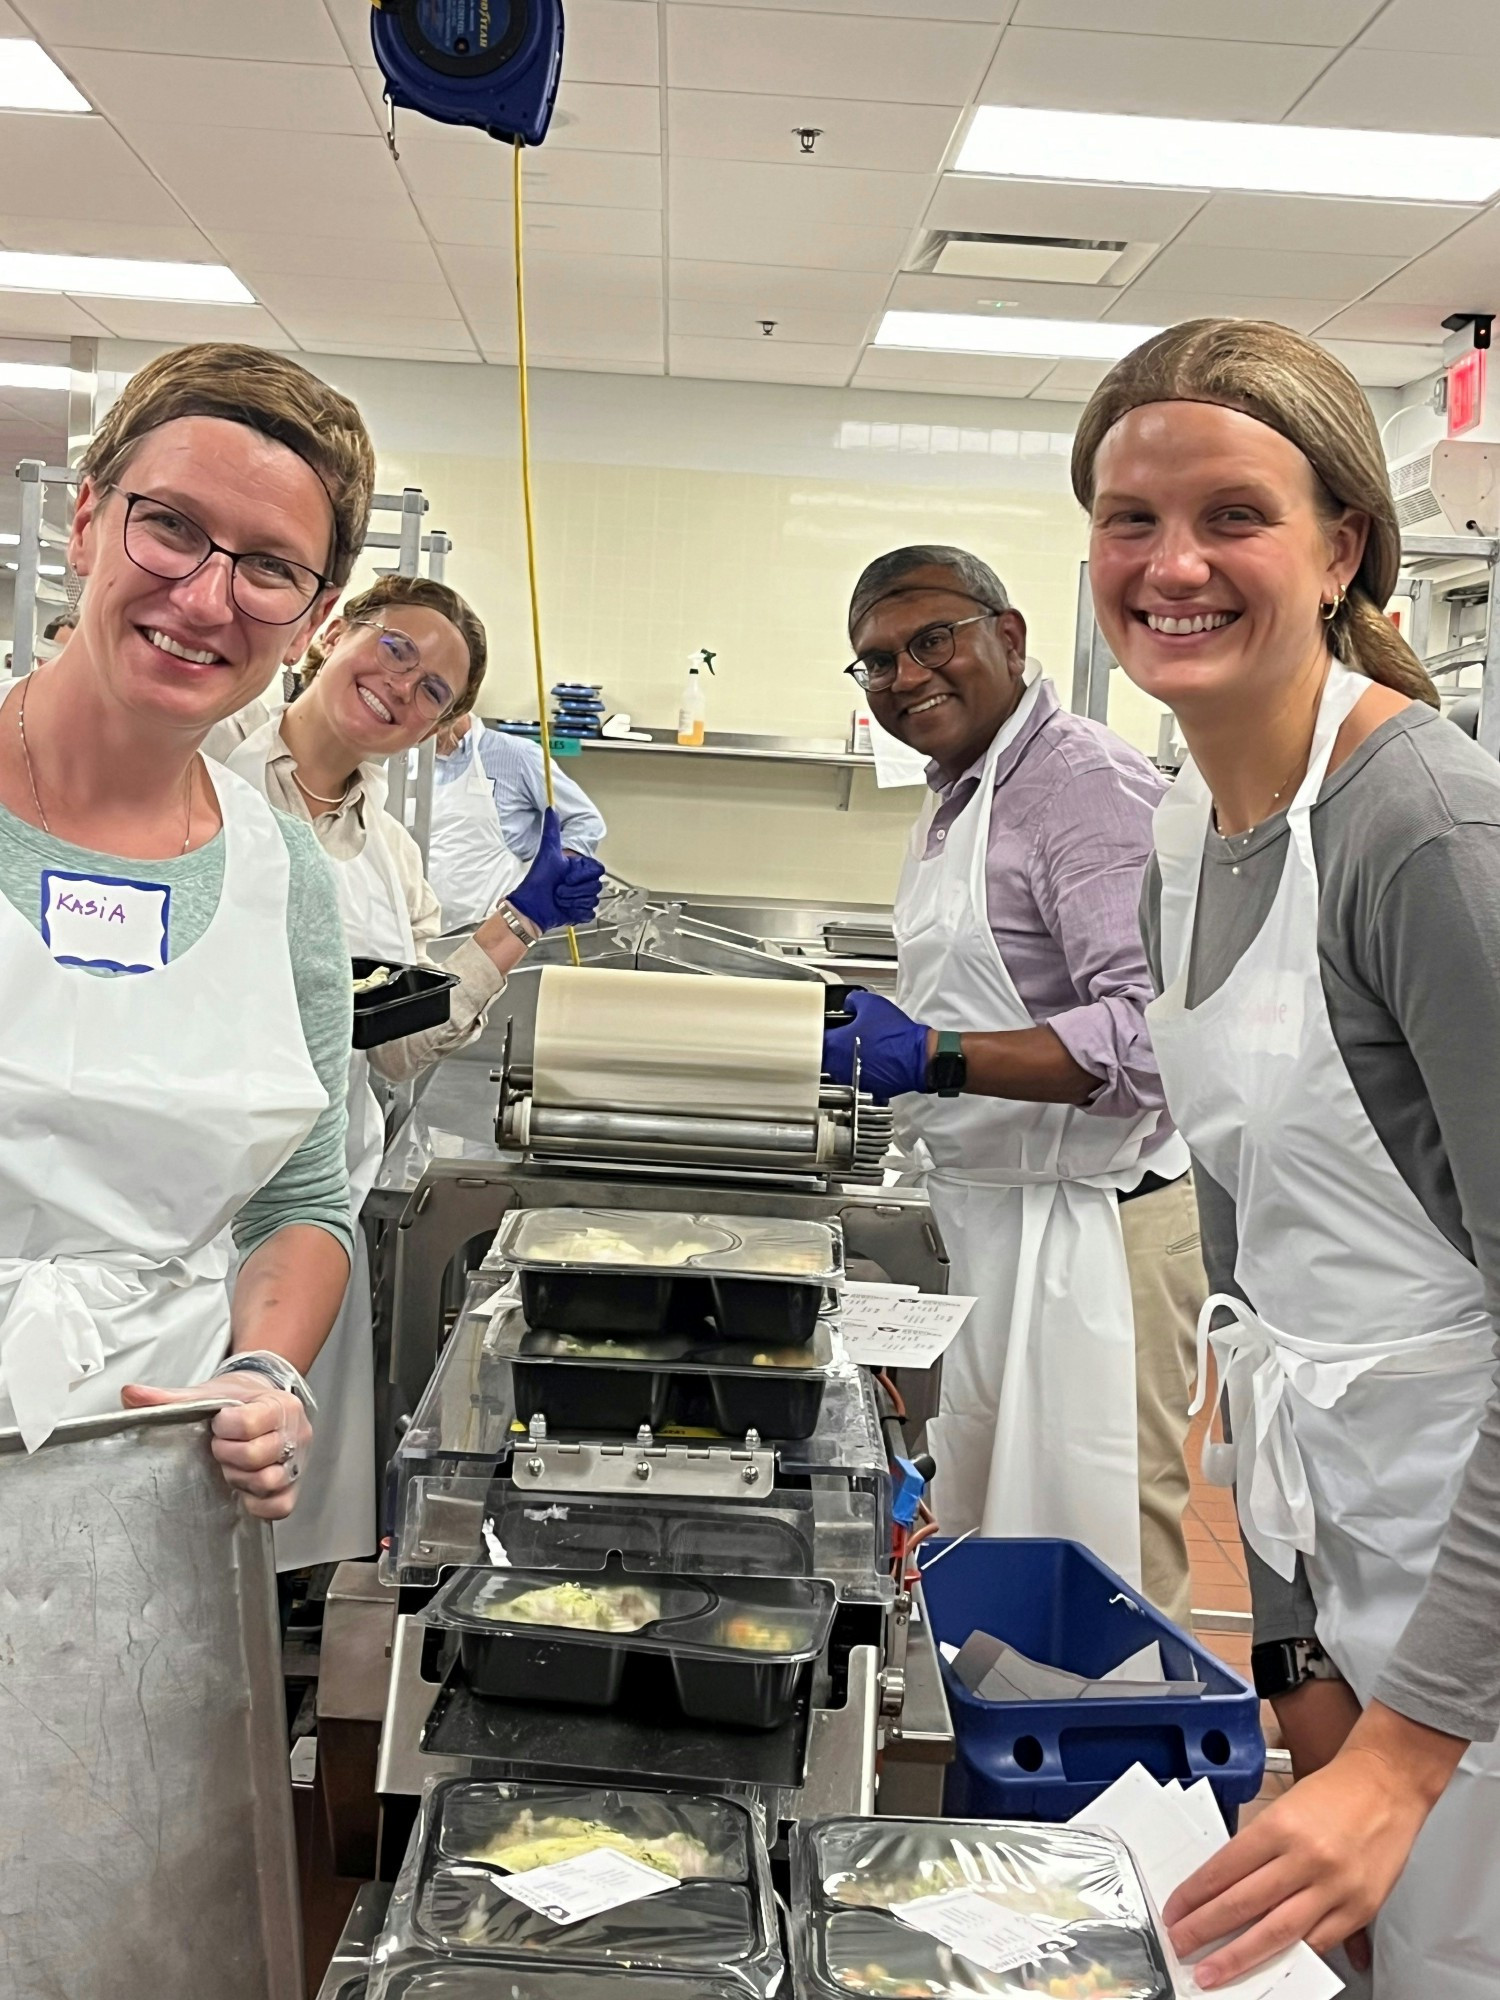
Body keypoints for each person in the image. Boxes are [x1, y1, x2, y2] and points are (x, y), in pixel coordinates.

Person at [1073, 316, 1500, 1996]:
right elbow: (1252, 1285)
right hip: (1362, 1576)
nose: (1171, 563)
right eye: (1129, 517)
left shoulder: (1423, 835)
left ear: (1342, 550)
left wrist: (1407, 1749)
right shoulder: (1188, 830)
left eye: (1232, 515)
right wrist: (1302, 1638)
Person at [0, 341, 374, 1521]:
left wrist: (265, 1369)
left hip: (157, 1468)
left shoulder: (286, 879)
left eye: (269, 568)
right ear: (86, 521)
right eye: (171, 528)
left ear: (312, 617)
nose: (207, 599)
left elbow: (299, 1199)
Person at [822, 545, 1203, 1612]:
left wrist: (939, 1053)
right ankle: (1013, 1760)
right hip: (1002, 1220)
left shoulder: (1079, 782)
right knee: (997, 1523)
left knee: (1102, 1551)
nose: (906, 675)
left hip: (1096, 1229)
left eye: (931, 639)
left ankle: (1133, 1773)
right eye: (877, 660)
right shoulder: (961, 794)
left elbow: (1154, 1039)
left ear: (1012, 635)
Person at [204, 573, 604, 1568]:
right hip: (187, 1208)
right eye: (394, 648)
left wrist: (520, 920)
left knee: (267, 1532)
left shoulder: (389, 858)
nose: (403, 686)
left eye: (434, 690)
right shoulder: (205, 763)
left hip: (311, 1215)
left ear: (439, 731)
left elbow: (396, 1044)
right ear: (333, 630)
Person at [428, 705, 605, 929]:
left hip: (494, 929)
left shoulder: (517, 755)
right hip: (419, 930)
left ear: (461, 700)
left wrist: (555, 873)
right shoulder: (404, 760)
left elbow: (584, 819)